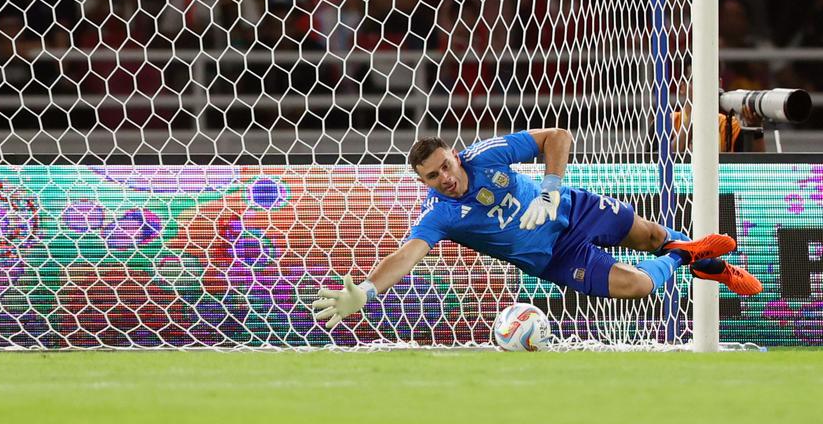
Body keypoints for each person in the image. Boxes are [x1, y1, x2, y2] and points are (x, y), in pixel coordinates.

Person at [313, 129, 761, 330]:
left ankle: (708, 263)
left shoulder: (484, 155)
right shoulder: (440, 215)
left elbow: (558, 137)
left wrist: (549, 191)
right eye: (432, 176)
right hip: (556, 258)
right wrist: (366, 291)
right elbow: (406, 254)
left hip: (573, 209)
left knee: (652, 237)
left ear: (454, 155)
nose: (444, 178)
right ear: (424, 182)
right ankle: (690, 255)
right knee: (639, 285)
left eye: (445, 165)